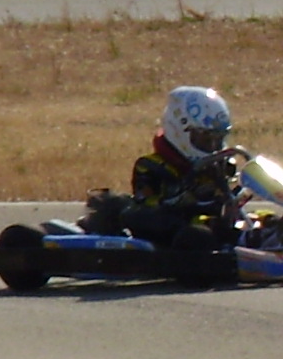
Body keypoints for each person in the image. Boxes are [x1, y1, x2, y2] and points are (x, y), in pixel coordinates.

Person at [87, 86, 244, 246]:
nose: (213, 146)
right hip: (170, 233)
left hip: (211, 224)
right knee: (193, 235)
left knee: (260, 223)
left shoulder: (218, 166)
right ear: (180, 131)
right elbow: (148, 207)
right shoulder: (150, 166)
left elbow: (227, 199)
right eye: (206, 139)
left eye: (218, 139)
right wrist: (185, 196)